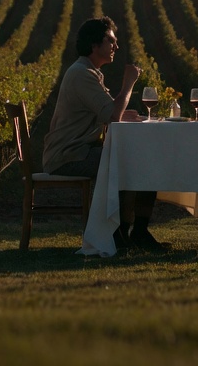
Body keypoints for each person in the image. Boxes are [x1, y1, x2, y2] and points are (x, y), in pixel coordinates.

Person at [43, 17, 166, 251]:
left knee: (141, 158)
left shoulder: (89, 72)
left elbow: (110, 112)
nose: (116, 47)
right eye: (111, 41)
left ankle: (133, 232)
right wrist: (129, 83)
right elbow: (112, 115)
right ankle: (121, 234)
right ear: (94, 45)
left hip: (79, 151)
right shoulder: (81, 74)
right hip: (67, 155)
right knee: (130, 161)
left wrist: (122, 113)